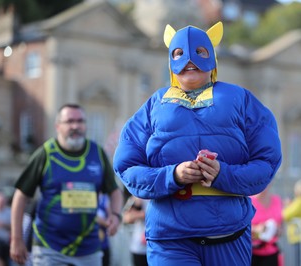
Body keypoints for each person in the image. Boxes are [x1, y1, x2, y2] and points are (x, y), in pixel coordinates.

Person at [113, 21, 282, 266]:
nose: (189, 59)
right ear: (170, 59)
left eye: (200, 52)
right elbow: (127, 166)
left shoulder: (240, 99)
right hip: (170, 238)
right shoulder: (153, 106)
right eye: (179, 53)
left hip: (228, 234)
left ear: (212, 57)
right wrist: (173, 175)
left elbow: (267, 161)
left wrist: (224, 173)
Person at [10, 103, 124, 266]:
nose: (76, 126)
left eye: (80, 121)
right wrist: (16, 239)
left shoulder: (96, 153)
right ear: (58, 126)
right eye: (70, 121)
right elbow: (20, 196)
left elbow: (114, 191)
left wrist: (115, 214)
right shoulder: (46, 153)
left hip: (89, 250)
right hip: (49, 249)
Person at [250, 185, 283, 266]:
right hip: (252, 252)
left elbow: (281, 225)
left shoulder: (277, 200)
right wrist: (256, 229)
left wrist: (278, 230)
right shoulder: (249, 200)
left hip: (272, 251)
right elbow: (241, 227)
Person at [123, 195, 148, 266]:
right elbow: (126, 218)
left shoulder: (161, 195)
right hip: (138, 247)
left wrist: (140, 214)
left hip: (156, 248)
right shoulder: (136, 196)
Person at [0, 191, 11, 266]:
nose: (1, 203)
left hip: (4, 242)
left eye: (3, 201)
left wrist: (4, 225)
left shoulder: (9, 212)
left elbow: (13, 227)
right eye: (0, 201)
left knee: (2, 262)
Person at [97, 193, 111, 266]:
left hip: (103, 245)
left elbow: (110, 221)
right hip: (89, 247)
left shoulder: (105, 198)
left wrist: (103, 221)